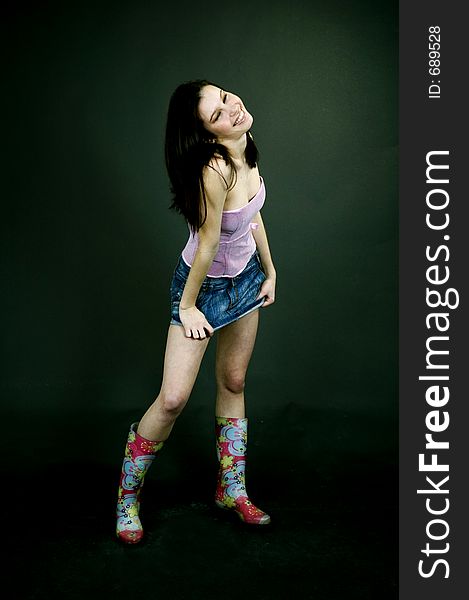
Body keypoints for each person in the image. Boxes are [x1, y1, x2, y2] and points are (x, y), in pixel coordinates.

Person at [115, 79, 277, 544]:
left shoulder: (247, 149)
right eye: (218, 113)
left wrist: (269, 270)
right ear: (207, 135)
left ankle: (232, 490)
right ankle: (127, 497)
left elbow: (252, 216)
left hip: (244, 279)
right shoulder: (214, 167)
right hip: (202, 288)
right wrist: (186, 306)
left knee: (234, 381)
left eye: (226, 96)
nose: (232, 107)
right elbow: (207, 244)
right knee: (172, 400)